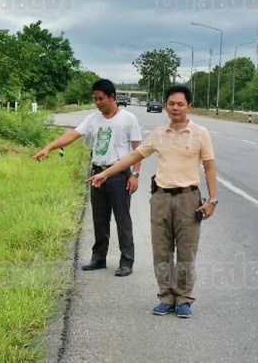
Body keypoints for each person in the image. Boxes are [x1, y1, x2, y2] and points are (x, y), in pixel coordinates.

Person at [87, 85, 218, 319]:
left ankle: (184, 298)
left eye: (180, 104)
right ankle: (166, 297)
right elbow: (133, 156)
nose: (175, 108)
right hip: (160, 198)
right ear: (166, 106)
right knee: (161, 251)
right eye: (171, 103)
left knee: (187, 252)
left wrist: (212, 200)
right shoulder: (159, 133)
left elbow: (209, 166)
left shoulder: (201, 133)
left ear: (189, 107)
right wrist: (105, 173)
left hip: (188, 198)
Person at [35, 79, 142, 277]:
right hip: (97, 173)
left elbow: (138, 150)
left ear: (112, 97)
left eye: (101, 99)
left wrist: (135, 174)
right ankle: (99, 258)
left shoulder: (128, 119)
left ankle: (126, 261)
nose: (98, 103)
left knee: (122, 219)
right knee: (99, 218)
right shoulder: (93, 119)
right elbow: (72, 135)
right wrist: (49, 147)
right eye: (95, 99)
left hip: (119, 175)